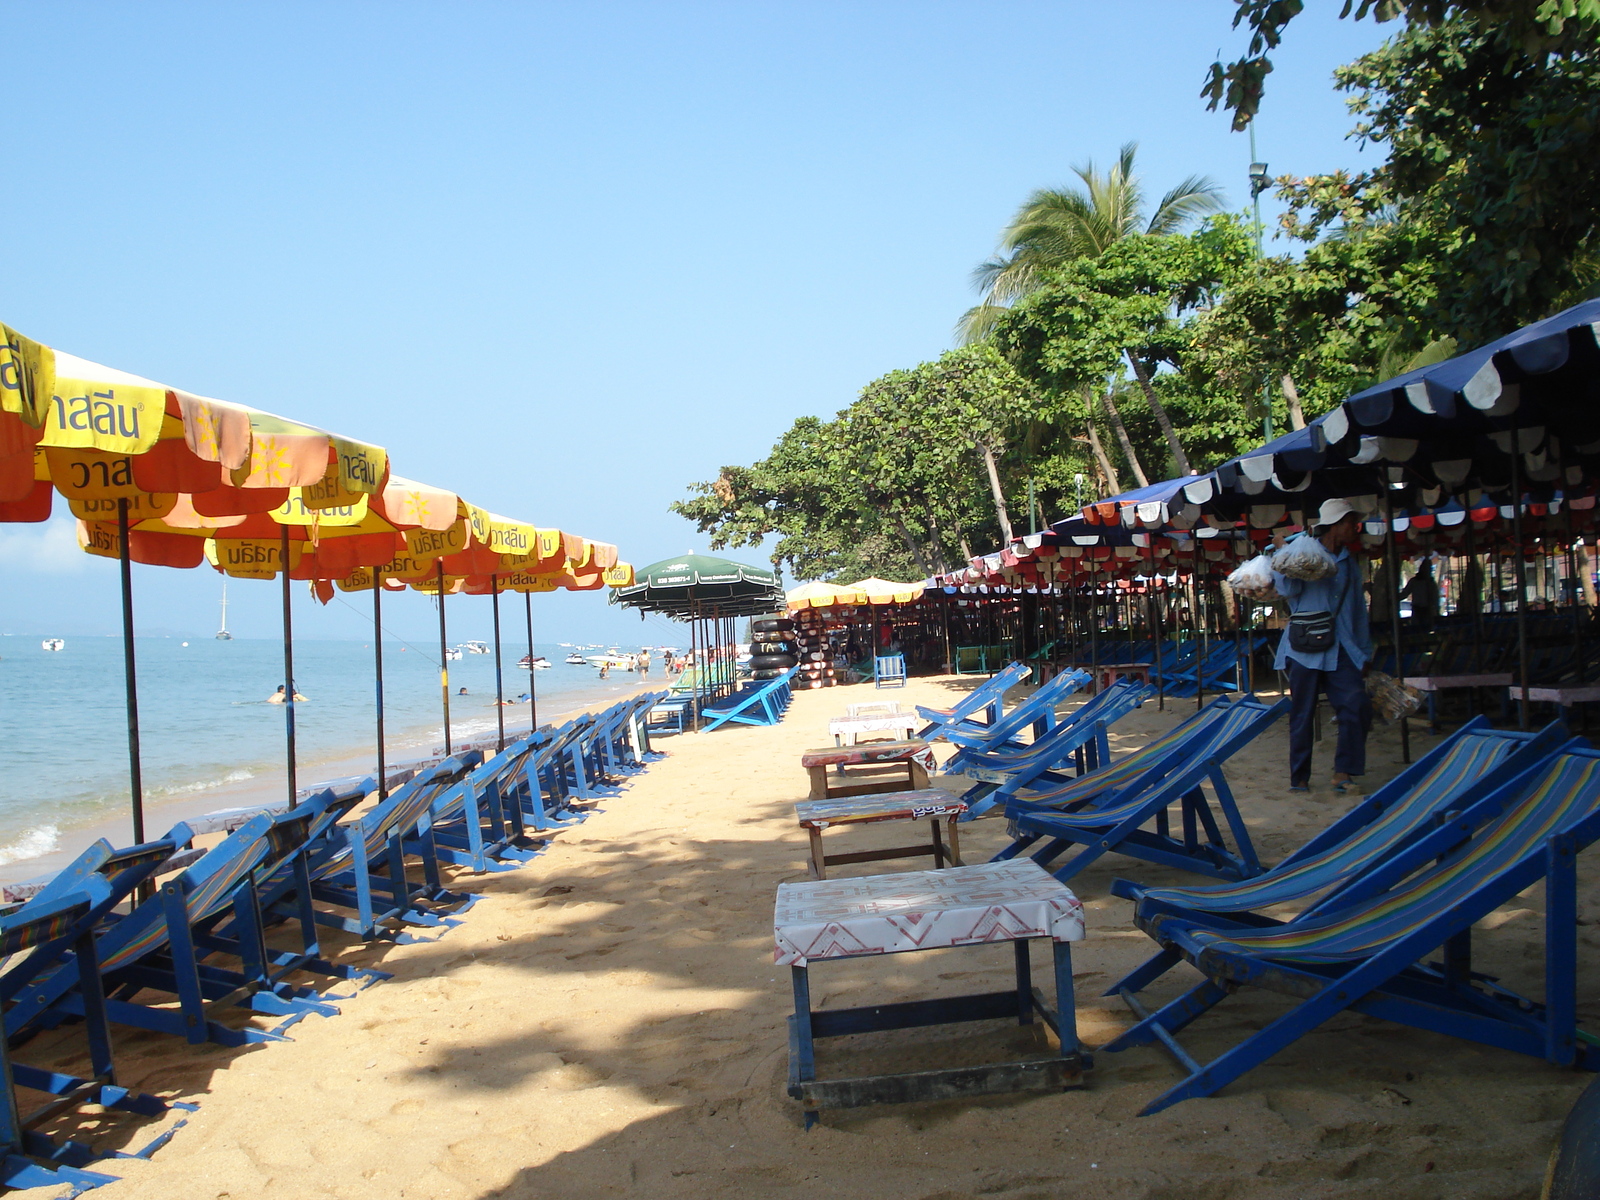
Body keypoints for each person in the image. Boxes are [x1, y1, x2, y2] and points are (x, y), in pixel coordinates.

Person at [1271, 497, 1373, 795]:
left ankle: (1344, 771)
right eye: (1350, 523)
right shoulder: (1305, 552)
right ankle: (1299, 777)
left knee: (1356, 704)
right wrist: (1285, 556)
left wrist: (1364, 653)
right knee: (1302, 714)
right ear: (1335, 526)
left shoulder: (1349, 564)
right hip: (1303, 648)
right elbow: (1286, 592)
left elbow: (1357, 611)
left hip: (1341, 648)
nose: (1355, 529)